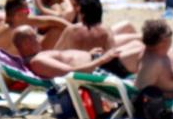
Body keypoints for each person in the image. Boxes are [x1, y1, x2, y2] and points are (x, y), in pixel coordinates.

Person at [54, 0, 143, 76]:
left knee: (135, 43)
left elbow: (56, 52)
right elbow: (111, 55)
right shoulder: (105, 31)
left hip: (75, 70)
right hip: (99, 71)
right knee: (138, 45)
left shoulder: (70, 30)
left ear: (82, 14)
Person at [12, 25, 142, 79]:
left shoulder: (39, 57)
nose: (39, 39)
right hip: (103, 68)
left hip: (99, 61)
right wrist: (102, 60)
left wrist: (89, 54)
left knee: (137, 43)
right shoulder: (38, 61)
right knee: (144, 51)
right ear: (26, 44)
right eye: (35, 37)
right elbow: (70, 72)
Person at [0, 0, 68, 56]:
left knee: (56, 30)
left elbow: (51, 21)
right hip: (15, 64)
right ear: (18, 14)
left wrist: (71, 29)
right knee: (55, 33)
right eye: (27, 10)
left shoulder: (16, 21)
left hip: (21, 58)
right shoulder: (11, 32)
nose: (29, 13)